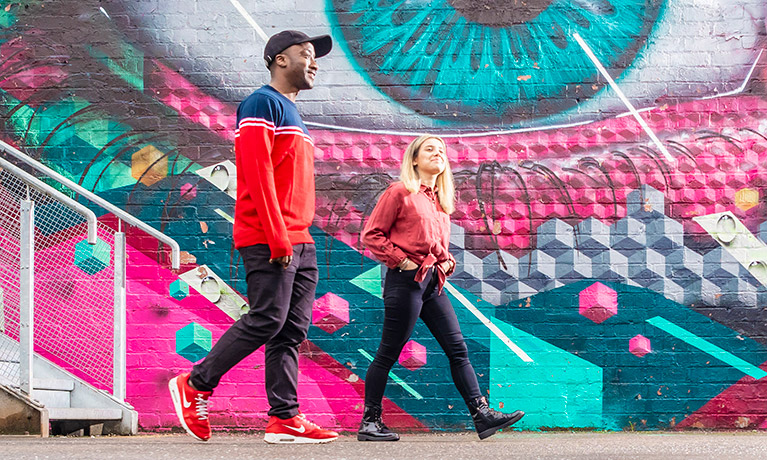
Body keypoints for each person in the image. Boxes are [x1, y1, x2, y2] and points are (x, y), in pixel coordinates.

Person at [169, 30, 338, 444]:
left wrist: (299, 237)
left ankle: (284, 418)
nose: (313, 63)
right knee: (267, 319)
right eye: (305, 54)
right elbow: (257, 173)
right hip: (269, 236)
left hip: (300, 238)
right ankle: (196, 382)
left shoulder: (293, 113)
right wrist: (278, 235)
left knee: (291, 331)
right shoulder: (262, 103)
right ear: (280, 60)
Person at [358, 135, 525, 441]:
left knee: (457, 349)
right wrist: (402, 262)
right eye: (430, 150)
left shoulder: (439, 200)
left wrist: (447, 261)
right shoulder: (400, 191)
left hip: (433, 283)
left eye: (442, 151)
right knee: (388, 353)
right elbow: (372, 235)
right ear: (415, 159)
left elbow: (434, 243)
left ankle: (482, 415)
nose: (438, 154)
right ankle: (370, 422)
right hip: (405, 283)